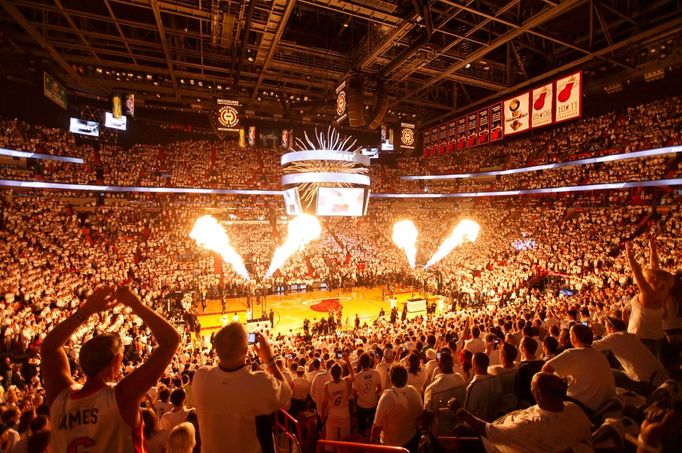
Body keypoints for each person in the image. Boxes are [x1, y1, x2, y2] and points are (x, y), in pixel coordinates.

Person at [43, 286, 180, 452]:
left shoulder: (61, 398)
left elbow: (49, 347)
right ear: (117, 361)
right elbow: (170, 341)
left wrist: (87, 310)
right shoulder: (120, 397)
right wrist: (135, 305)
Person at [192, 323, 291, 453]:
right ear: (245, 351)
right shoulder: (258, 382)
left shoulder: (201, 376)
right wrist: (268, 359)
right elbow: (286, 395)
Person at [449, 372, 592, 453]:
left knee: (461, 430)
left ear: (540, 394)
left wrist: (460, 411)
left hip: (495, 444)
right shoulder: (573, 408)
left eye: (532, 386)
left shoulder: (529, 426)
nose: (530, 389)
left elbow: (489, 431)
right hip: (510, 426)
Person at [542, 324, 616, 412]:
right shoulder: (600, 355)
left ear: (574, 337)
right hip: (606, 405)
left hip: (586, 407)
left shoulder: (572, 353)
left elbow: (545, 370)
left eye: (569, 335)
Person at [593, 317, 667, 394]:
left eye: (606, 327)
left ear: (611, 327)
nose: (606, 330)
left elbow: (592, 346)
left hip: (643, 380)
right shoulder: (631, 335)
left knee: (605, 371)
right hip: (658, 377)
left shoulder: (614, 337)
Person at [625, 237, 674, 355]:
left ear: (653, 280)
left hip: (641, 337)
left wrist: (629, 255)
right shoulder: (664, 291)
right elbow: (655, 268)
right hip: (657, 335)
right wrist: (652, 248)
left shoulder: (648, 292)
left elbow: (636, 271)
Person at [371, 365, 423, 453]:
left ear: (391, 378)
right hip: (411, 439)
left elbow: (377, 427)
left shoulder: (387, 396)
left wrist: (371, 447)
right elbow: (420, 415)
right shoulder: (413, 391)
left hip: (392, 445)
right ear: (406, 378)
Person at [321, 357, 354, 450]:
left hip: (333, 416)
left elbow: (324, 403)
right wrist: (347, 361)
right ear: (341, 372)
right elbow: (352, 375)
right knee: (345, 441)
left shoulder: (327, 385)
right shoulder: (346, 382)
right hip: (344, 414)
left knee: (330, 442)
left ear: (331, 373)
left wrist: (322, 415)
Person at [352, 353, 382, 436]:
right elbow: (380, 389)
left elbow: (354, 392)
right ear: (369, 362)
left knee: (362, 427)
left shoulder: (357, 377)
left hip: (361, 405)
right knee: (372, 424)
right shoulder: (376, 374)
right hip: (373, 403)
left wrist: (361, 396)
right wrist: (372, 394)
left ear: (360, 363)